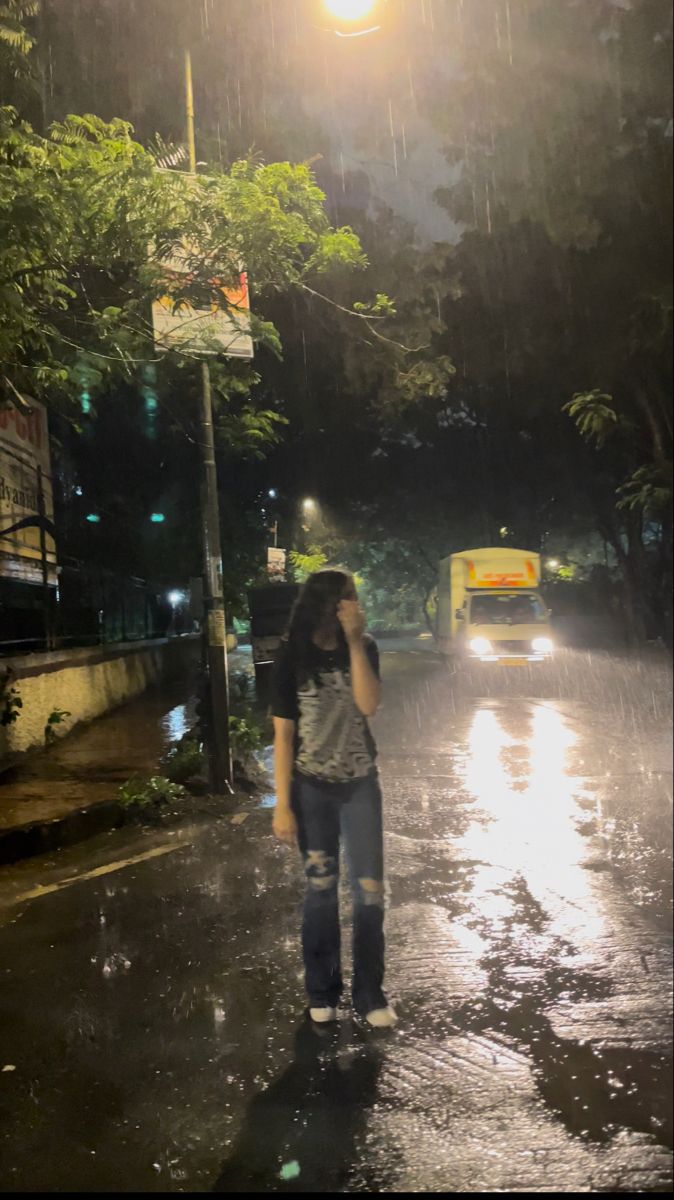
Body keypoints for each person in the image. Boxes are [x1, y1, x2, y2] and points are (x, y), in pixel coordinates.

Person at [270, 568, 397, 1029]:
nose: (357, 605)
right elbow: (283, 735)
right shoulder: (292, 656)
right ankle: (321, 990)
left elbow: (368, 705)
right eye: (350, 599)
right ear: (330, 604)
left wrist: (357, 641)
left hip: (360, 785)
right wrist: (281, 805)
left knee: (369, 894)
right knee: (321, 891)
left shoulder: (365, 648)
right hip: (312, 789)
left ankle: (370, 994)